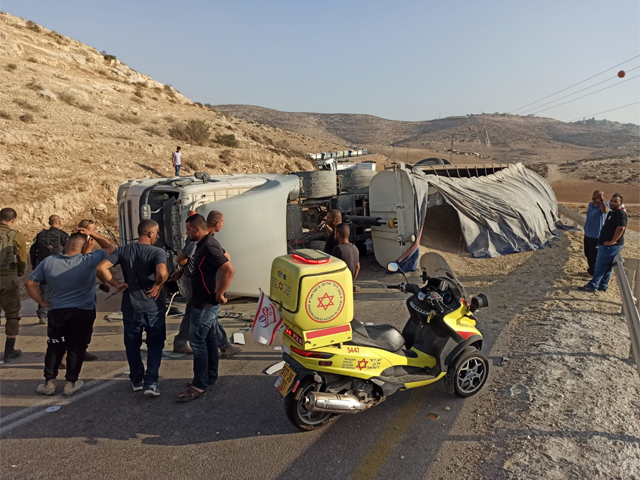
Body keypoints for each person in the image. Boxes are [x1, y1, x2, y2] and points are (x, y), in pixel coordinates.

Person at [26, 229, 116, 395]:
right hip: (83, 312)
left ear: (65, 245)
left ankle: (49, 383)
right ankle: (70, 383)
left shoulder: (49, 261)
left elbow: (30, 283)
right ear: (84, 247)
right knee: (76, 347)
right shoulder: (88, 260)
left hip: (57, 311)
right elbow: (110, 247)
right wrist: (93, 234)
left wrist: (42, 302)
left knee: (54, 346)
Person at [96, 220, 168, 397]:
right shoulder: (157, 252)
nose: (158, 236)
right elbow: (162, 273)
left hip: (130, 306)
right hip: (153, 306)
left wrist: (116, 283)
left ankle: (136, 380)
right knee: (155, 345)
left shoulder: (123, 250)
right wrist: (158, 285)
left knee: (132, 344)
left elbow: (101, 268)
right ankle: (151, 383)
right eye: (157, 233)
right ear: (150, 233)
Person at [178, 212, 234, 401]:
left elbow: (228, 268)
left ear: (197, 228)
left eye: (188, 229)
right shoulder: (204, 243)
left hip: (205, 303)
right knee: (209, 340)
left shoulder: (209, 245)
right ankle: (210, 376)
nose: (187, 233)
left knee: (197, 343)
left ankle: (199, 384)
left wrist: (220, 293)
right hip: (203, 302)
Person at [171, 215, 241, 357]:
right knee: (202, 317)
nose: (222, 226)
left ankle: (184, 343)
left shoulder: (208, 240)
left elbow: (225, 259)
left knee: (202, 316)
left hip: (200, 284)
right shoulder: (199, 240)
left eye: (188, 229)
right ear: (216, 223)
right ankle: (221, 347)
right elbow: (183, 258)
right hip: (197, 283)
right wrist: (185, 271)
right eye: (222, 223)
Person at [579, 194, 627, 293]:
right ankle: (603, 285)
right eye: (612, 201)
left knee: (600, 266)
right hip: (605, 244)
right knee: (607, 267)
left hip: (610, 246)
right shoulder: (612, 213)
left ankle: (592, 285)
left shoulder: (620, 214)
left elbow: (621, 228)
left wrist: (612, 241)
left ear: (620, 203)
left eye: (616, 201)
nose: (613, 203)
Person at [30, 215, 69, 325]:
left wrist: (34, 265)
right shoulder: (63, 235)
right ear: (59, 222)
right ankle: (59, 314)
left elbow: (33, 251)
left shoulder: (40, 235)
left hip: (43, 265)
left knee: (44, 290)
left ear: (48, 222)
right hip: (59, 267)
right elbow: (68, 251)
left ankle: (42, 315)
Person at [0, 208, 27, 362]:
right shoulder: (17, 236)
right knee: (12, 315)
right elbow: (22, 260)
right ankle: (9, 351)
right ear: (13, 220)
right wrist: (17, 274)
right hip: (9, 278)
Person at [583, 191, 609, 276]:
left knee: (593, 255)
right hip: (587, 234)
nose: (595, 197)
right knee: (587, 253)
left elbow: (605, 211)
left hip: (596, 236)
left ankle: (593, 273)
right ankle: (591, 270)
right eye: (594, 195)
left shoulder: (603, 207)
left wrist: (601, 200)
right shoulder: (590, 205)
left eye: (598, 196)